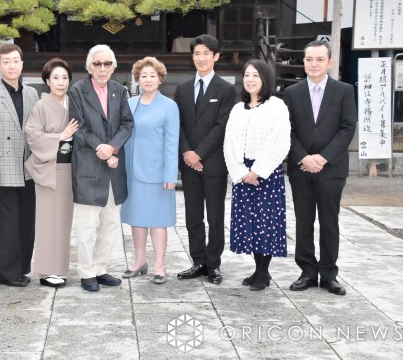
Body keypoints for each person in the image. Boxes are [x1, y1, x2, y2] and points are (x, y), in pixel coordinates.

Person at [284, 41, 356, 296]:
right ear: (303, 62)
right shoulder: (292, 92)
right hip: (300, 168)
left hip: (331, 169)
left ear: (330, 62)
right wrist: (303, 157)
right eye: (309, 59)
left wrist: (323, 158)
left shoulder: (343, 90)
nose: (313, 64)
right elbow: (287, 130)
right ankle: (307, 271)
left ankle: (329, 275)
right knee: (303, 221)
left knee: (329, 221)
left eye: (319, 59)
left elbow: (348, 127)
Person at [68, 44, 134, 292]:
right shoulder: (77, 91)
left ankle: (101, 268)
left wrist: (113, 148)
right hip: (88, 166)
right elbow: (79, 130)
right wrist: (103, 149)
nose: (103, 68)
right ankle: (86, 273)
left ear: (114, 67)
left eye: (107, 64)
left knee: (110, 224)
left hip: (114, 168)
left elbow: (127, 124)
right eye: (98, 64)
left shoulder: (119, 90)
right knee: (86, 226)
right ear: (89, 67)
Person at [223, 59, 291, 291]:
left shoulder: (277, 106)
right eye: (247, 75)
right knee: (248, 224)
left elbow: (280, 141)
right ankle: (256, 268)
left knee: (266, 222)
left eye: (256, 75)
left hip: (267, 173)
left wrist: (259, 171)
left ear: (266, 79)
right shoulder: (237, 109)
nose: (250, 79)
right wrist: (241, 172)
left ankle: (264, 272)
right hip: (243, 174)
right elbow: (229, 143)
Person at [174, 34, 236, 284]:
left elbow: (222, 126)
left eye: (206, 54)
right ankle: (197, 260)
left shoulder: (227, 89)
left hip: (213, 163)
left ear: (216, 56)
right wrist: (188, 153)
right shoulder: (182, 88)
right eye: (197, 53)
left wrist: (199, 153)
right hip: (189, 164)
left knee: (215, 215)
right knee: (192, 215)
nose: (201, 58)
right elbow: (177, 125)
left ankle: (213, 263)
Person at [0, 43, 38, 287]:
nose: (11, 66)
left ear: (22, 64)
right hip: (3, 168)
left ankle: (22, 267)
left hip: (29, 167)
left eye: (15, 61)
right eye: (6, 62)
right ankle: (6, 273)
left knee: (26, 221)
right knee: (6, 223)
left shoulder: (32, 94)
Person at [121, 57, 179, 285]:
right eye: (143, 76)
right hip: (132, 172)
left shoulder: (169, 106)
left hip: (157, 173)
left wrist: (170, 175)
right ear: (137, 79)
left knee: (157, 220)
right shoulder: (130, 104)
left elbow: (172, 142)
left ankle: (160, 265)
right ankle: (139, 261)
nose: (147, 79)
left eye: (152, 75)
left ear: (160, 79)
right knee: (136, 219)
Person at [25, 58, 79, 288]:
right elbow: (33, 136)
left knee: (64, 220)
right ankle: (46, 271)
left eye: (64, 77)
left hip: (69, 167)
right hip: (49, 167)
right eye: (55, 77)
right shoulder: (41, 105)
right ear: (47, 81)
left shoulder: (72, 102)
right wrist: (61, 135)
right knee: (47, 220)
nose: (60, 82)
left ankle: (60, 268)